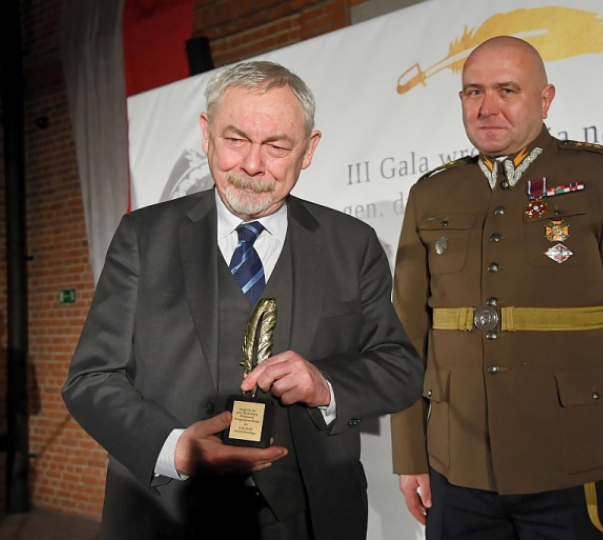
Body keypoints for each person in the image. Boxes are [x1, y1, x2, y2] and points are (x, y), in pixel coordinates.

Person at [63, 60, 422, 540]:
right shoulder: (143, 238)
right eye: (235, 140)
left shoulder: (352, 244)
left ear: (309, 150)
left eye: (276, 146)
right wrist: (174, 448)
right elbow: (91, 378)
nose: (252, 165)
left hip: (312, 518)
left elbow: (399, 368)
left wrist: (328, 383)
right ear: (206, 134)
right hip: (169, 514)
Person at [390, 36, 603, 540]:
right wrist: (409, 455)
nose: (487, 107)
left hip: (574, 463)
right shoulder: (432, 193)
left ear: (544, 100)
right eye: (473, 92)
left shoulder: (602, 178)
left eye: (507, 90)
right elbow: (406, 338)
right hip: (457, 470)